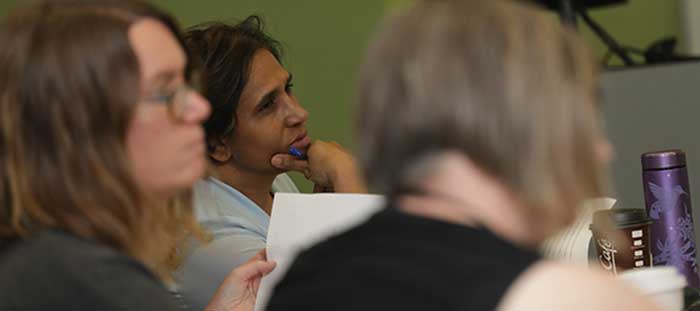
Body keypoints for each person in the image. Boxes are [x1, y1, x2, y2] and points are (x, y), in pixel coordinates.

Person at [267, 0, 659, 310]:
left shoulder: (300, 278)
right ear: (521, 128)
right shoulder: (564, 298)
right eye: (581, 122)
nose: (601, 150)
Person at [0, 1, 273, 310]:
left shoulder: (47, 260)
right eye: (165, 92)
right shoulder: (85, 279)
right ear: (81, 125)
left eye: (187, 85)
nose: (199, 108)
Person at [176, 17, 366, 311]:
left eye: (287, 88)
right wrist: (349, 175)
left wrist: (326, 218)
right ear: (217, 145)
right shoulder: (211, 240)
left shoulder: (270, 179)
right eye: (267, 106)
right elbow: (364, 295)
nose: (299, 113)